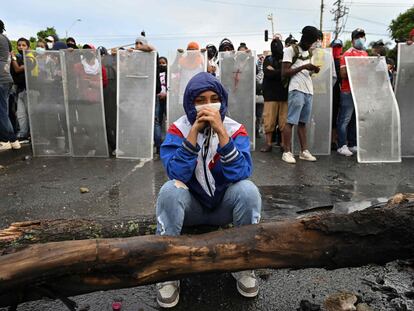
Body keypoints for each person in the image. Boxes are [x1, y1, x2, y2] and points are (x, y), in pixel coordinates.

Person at [156, 72, 261, 308]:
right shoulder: (178, 129)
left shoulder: (235, 129)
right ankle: (168, 271)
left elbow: (241, 172)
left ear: (222, 101)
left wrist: (222, 133)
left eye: (214, 98)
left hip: (223, 206)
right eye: (200, 100)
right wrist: (193, 133)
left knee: (248, 190)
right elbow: (176, 173)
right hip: (192, 208)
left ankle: (244, 265)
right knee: (169, 190)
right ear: (190, 103)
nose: (208, 105)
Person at [281, 26, 321, 164]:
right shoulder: (290, 50)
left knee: (303, 123)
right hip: (296, 89)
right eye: (314, 41)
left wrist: (313, 69)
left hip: (308, 90)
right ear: (307, 39)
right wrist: (304, 67)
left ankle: (304, 151)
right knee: (291, 121)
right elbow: (285, 72)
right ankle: (286, 152)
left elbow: (306, 71)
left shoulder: (309, 53)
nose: (315, 44)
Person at [336, 28, 368, 157]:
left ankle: (352, 144)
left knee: (355, 118)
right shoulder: (347, 54)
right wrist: (358, 70)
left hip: (360, 90)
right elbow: (343, 74)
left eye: (362, 36)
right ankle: (341, 145)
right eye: (358, 37)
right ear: (353, 39)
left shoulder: (365, 54)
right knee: (345, 119)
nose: (360, 39)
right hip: (348, 91)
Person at [260, 37, 288, 152]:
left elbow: (284, 73)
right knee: (269, 120)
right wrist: (281, 72)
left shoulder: (286, 59)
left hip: (284, 94)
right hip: (270, 95)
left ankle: (283, 144)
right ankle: (268, 143)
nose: (276, 47)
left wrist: (275, 71)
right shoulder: (268, 59)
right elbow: (268, 73)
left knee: (284, 121)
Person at [10, 37, 38, 142]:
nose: (20, 47)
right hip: (21, 90)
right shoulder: (22, 58)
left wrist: (13, 57)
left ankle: (33, 135)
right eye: (19, 45)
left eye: (23, 45)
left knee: (30, 113)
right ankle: (23, 134)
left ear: (28, 47)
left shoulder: (31, 58)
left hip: (30, 90)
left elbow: (17, 69)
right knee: (21, 114)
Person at [0, 20, 20, 150]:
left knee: (1, 112)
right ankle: (13, 141)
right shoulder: (5, 39)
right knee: (5, 111)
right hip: (6, 77)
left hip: (0, 79)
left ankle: (7, 139)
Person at [331, 39, 343, 150]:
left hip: (336, 92)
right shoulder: (327, 59)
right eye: (335, 47)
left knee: (335, 116)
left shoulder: (343, 60)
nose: (337, 49)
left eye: (339, 47)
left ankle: (334, 140)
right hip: (325, 92)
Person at [155, 56, 168, 153]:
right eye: (160, 63)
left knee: (168, 120)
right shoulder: (155, 73)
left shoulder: (170, 73)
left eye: (163, 63)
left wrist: (167, 94)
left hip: (168, 99)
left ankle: (168, 143)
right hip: (157, 99)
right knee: (157, 122)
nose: (161, 64)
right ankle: (159, 146)